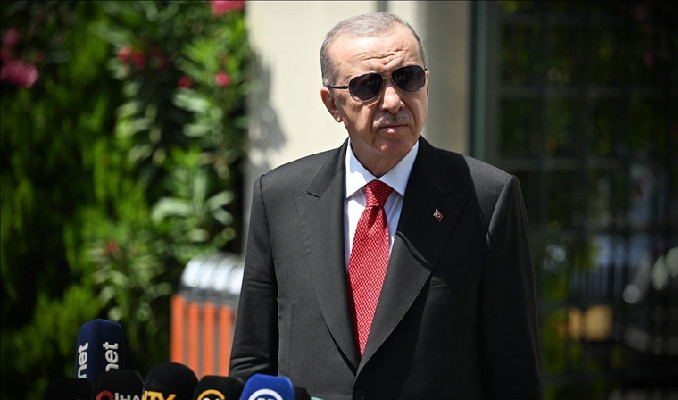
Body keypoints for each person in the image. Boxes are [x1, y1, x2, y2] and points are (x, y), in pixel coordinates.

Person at [229, 11, 543, 399]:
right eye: (368, 86)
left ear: (426, 84)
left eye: (407, 77)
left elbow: (514, 373)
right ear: (333, 104)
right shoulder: (279, 197)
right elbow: (252, 365)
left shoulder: (487, 197)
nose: (393, 101)